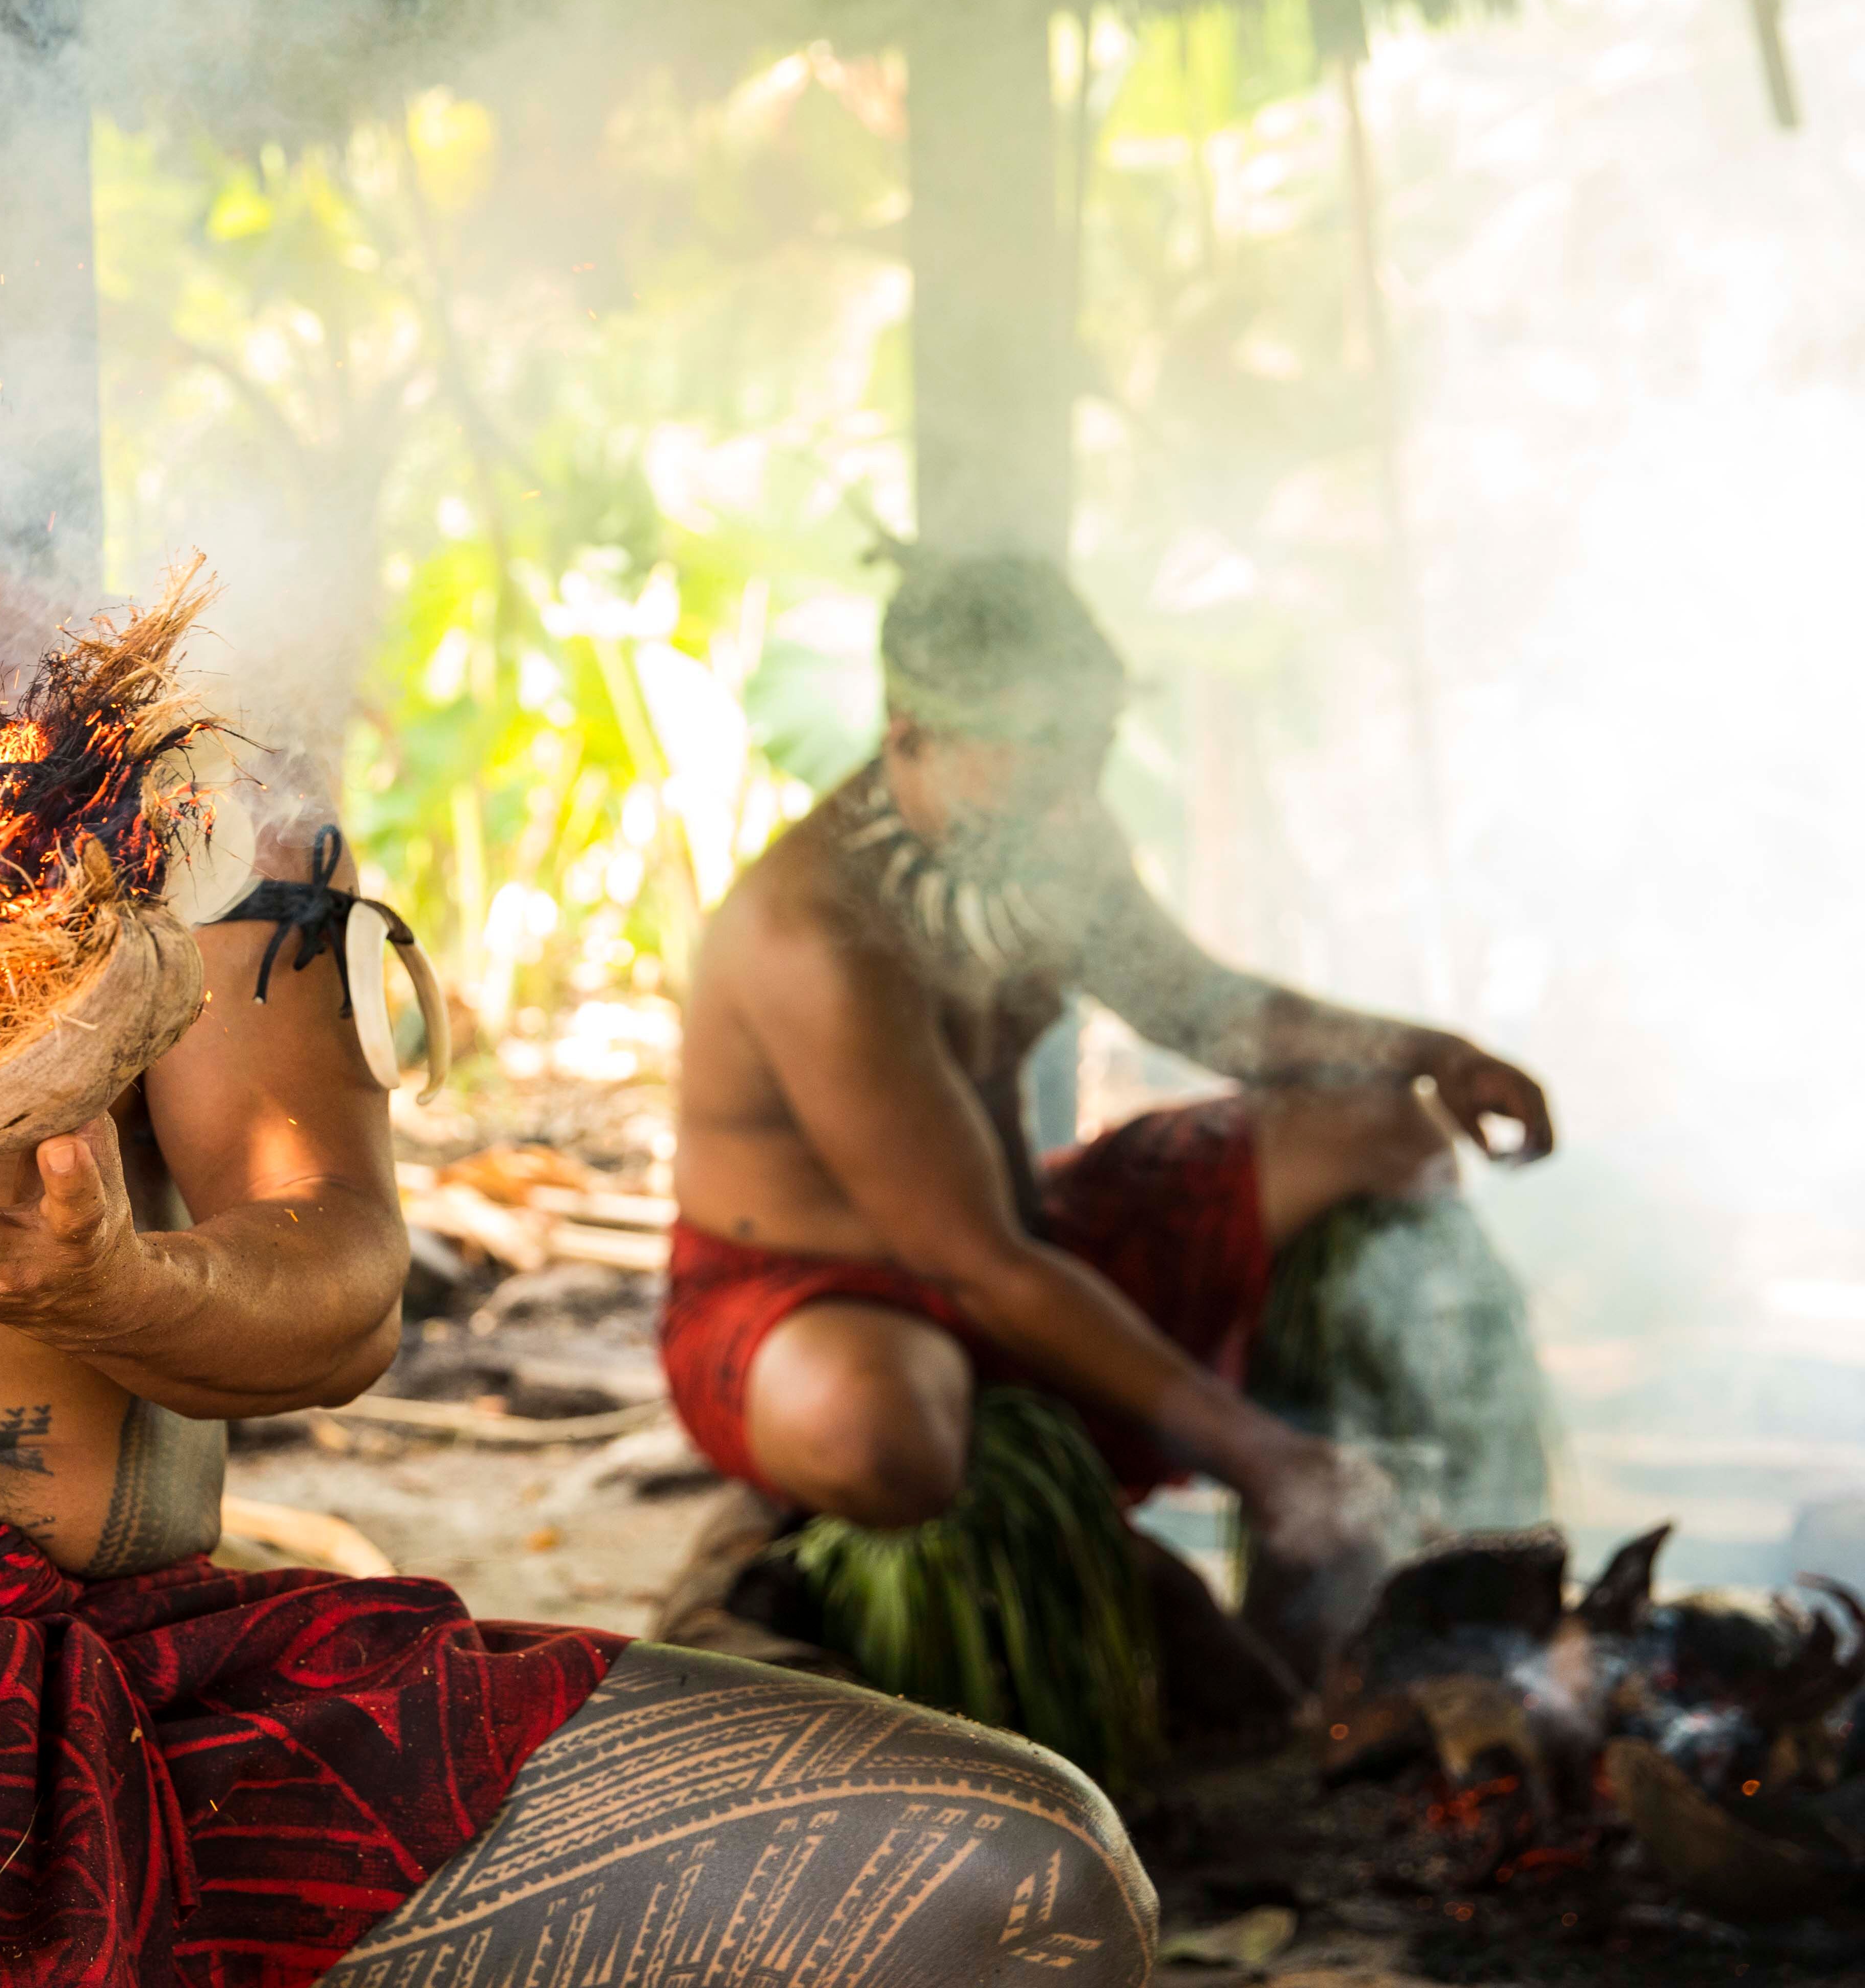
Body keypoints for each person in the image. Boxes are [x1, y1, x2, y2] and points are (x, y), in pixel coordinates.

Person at [0, 29, 1159, 1987]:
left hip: (162, 1676)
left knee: (1021, 1887)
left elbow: (342, 1279)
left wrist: (101, 1294)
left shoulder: (111, 725)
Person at [661, 547, 1555, 1673]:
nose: (1070, 797)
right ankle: (1188, 1508)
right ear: (908, 732)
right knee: (876, 1429)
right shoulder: (815, 933)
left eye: (1085, 754)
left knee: (1385, 1127)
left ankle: (1321, 1608)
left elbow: (1205, 1008)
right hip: (825, 1296)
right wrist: (1265, 1458)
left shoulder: (1051, 828)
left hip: (1023, 1233)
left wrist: (1432, 1051)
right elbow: (975, 1261)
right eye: (1032, 761)